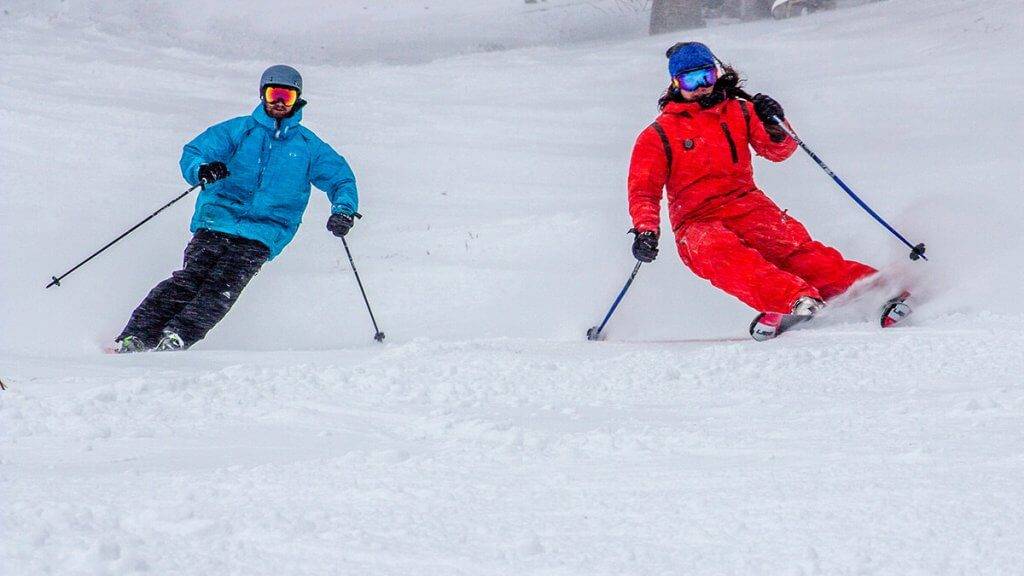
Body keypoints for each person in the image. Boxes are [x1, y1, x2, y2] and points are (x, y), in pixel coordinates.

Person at [626, 42, 877, 340]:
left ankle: (873, 286)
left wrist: (775, 123)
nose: (701, 88)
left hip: (747, 204)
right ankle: (795, 300)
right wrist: (646, 230)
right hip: (696, 221)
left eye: (705, 77)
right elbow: (643, 189)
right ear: (675, 84)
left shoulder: (741, 111)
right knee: (722, 254)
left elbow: (778, 151)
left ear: (716, 74)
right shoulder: (658, 135)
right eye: (690, 81)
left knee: (792, 249)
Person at [113, 65, 359, 352]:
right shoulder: (239, 130)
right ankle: (137, 335)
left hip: (265, 230)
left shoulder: (309, 147)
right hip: (218, 218)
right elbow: (195, 152)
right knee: (192, 278)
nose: (279, 102)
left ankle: (178, 336)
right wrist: (202, 170)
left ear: (298, 100)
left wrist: (343, 209)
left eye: (287, 97)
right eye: (274, 94)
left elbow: (341, 178)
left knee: (223, 286)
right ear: (262, 95)